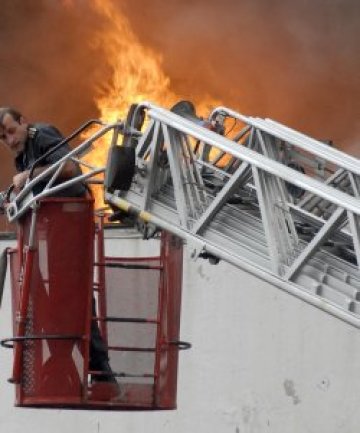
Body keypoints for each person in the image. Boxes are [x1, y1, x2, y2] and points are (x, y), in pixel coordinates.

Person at [0, 107, 116, 385]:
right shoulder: (24, 155)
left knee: (74, 298)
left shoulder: (41, 134)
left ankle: (99, 371)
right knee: (59, 301)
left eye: (11, 131)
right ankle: (82, 364)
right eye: (3, 137)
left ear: (23, 122)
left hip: (72, 225)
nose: (10, 140)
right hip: (56, 231)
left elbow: (69, 167)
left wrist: (27, 176)